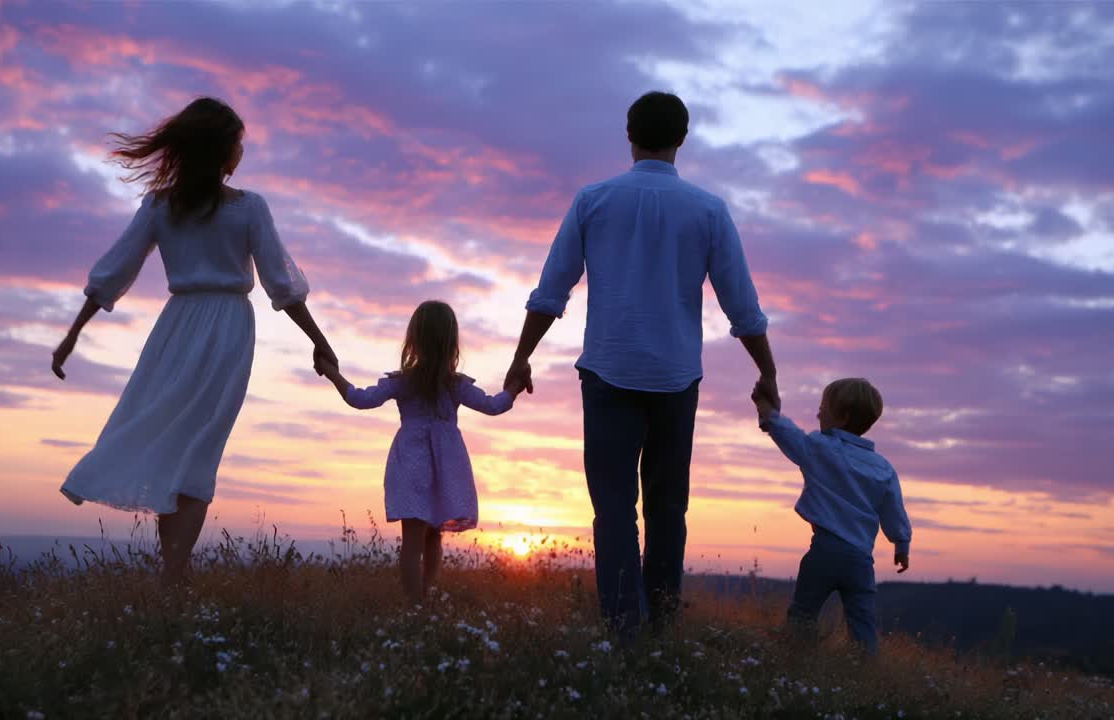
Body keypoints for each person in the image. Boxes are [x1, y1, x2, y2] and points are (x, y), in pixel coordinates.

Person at [505, 91, 778, 639]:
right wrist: (767, 370)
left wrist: (521, 359)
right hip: (676, 378)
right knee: (667, 508)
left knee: (613, 509)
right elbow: (741, 305)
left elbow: (550, 291)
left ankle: (623, 626)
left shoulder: (593, 200)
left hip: (607, 372)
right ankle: (662, 623)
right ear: (682, 137)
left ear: (628, 134)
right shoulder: (707, 210)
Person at [51, 97, 337, 585]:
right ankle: (173, 578)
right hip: (225, 328)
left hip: (177, 326)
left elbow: (111, 271)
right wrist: (320, 340)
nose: (241, 152)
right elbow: (281, 286)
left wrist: (74, 332)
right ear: (223, 152)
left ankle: (173, 575)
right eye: (238, 144)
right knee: (195, 448)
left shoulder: (165, 206)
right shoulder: (243, 207)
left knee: (183, 444)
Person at [315, 300, 525, 603]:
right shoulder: (453, 385)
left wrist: (333, 373)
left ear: (413, 338)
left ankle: (418, 605)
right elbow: (494, 406)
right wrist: (514, 388)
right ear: (451, 341)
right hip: (443, 467)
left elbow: (359, 399)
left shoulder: (405, 382)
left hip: (411, 464)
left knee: (414, 540)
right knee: (431, 537)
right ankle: (421, 602)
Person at [752, 378, 912, 654]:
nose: (818, 414)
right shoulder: (883, 468)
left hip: (825, 551)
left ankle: (794, 658)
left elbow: (790, 436)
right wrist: (901, 544)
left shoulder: (822, 448)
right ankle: (866, 671)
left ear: (843, 416)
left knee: (804, 611)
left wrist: (767, 411)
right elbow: (894, 509)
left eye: (823, 408)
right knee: (862, 620)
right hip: (861, 560)